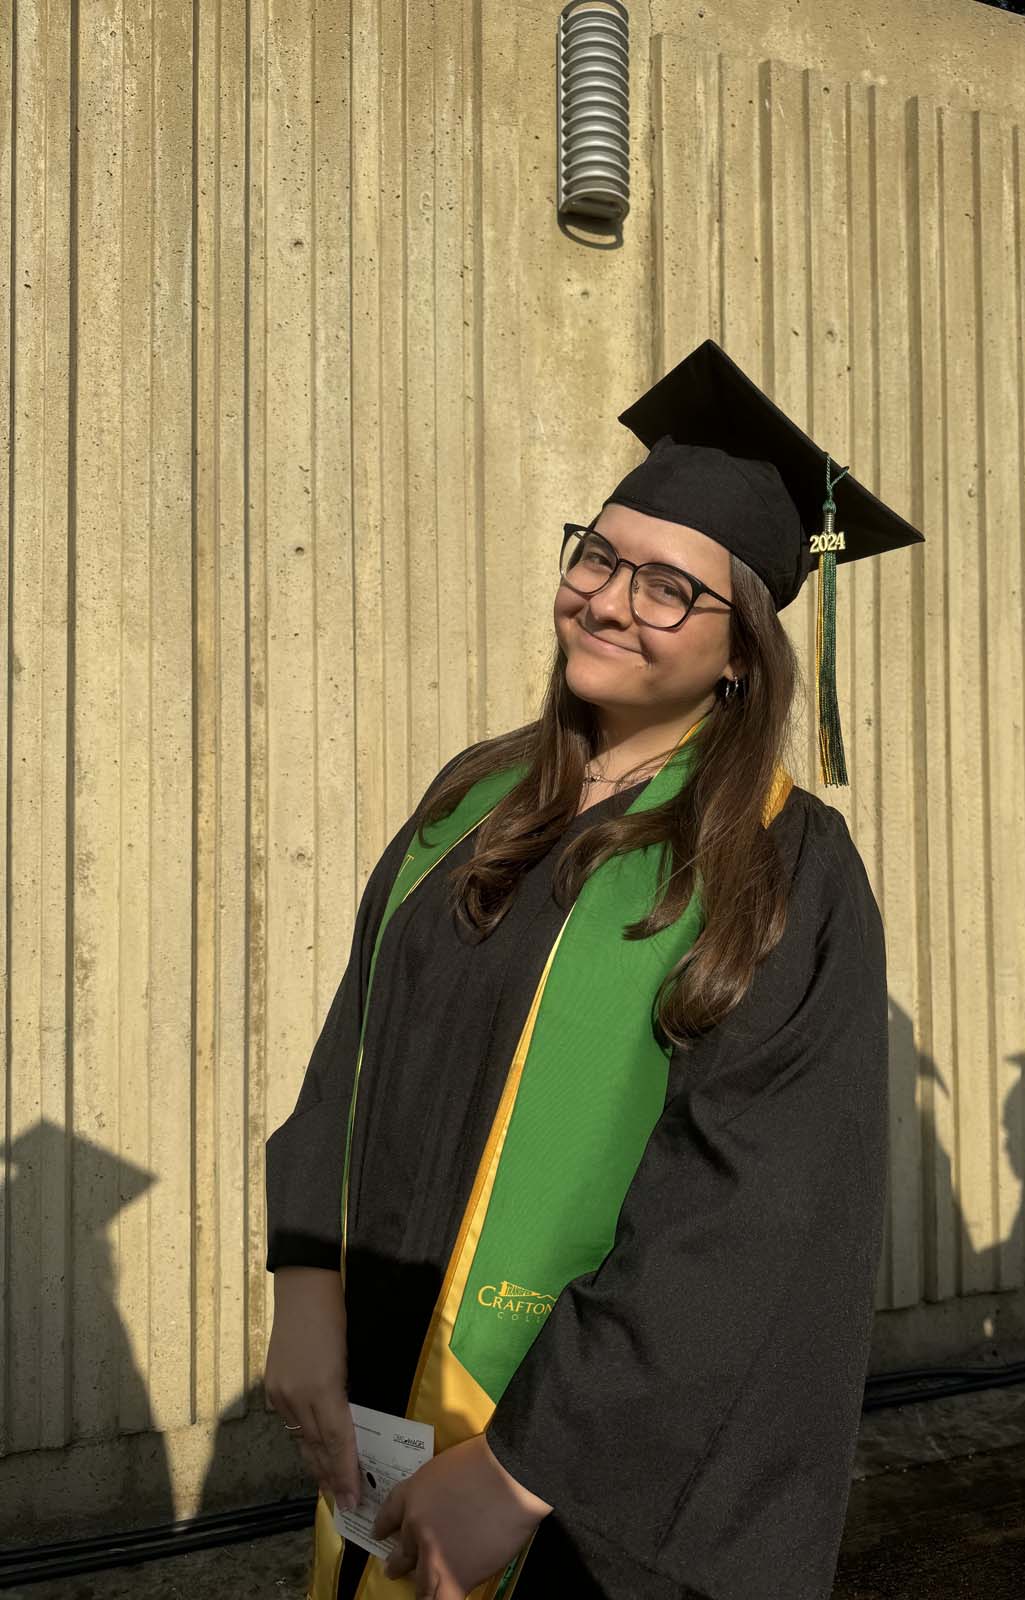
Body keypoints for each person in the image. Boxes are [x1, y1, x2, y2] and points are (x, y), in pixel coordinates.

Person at [263, 338, 924, 1600]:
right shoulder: (476, 795)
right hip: (385, 1403)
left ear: (742, 650)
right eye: (599, 557)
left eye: (670, 587)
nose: (611, 600)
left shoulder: (782, 864)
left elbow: (754, 1213)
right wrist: (304, 1278)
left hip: (592, 1478)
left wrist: (522, 1467)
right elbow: (358, 1038)